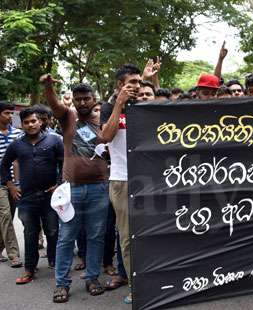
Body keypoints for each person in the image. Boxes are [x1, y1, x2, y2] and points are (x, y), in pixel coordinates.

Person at [40, 76, 112, 303]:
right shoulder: (68, 117)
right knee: (66, 237)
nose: (82, 103)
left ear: (94, 99)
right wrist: (48, 86)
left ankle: (92, 278)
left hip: (99, 188)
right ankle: (62, 284)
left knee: (96, 236)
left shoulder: (103, 120)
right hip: (72, 189)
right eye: (78, 99)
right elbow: (54, 105)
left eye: (86, 99)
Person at [1, 107, 63, 284]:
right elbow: (4, 165)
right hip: (26, 197)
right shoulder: (17, 145)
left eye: (33, 121)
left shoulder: (53, 141)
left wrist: (59, 183)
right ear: (22, 125)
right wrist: (11, 186)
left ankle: (54, 261)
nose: (30, 125)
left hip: (50, 196)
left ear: (41, 122)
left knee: (52, 230)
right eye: (26, 122)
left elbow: (64, 161)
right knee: (30, 232)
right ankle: (29, 268)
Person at [99, 63, 143, 304]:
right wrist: (119, 105)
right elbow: (105, 136)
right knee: (127, 237)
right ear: (120, 84)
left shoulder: (141, 106)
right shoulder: (108, 108)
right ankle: (136, 288)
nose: (137, 86)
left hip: (146, 180)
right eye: (133, 82)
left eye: (139, 82)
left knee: (148, 235)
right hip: (122, 180)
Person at [0, 100, 22, 268]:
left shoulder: (17, 134)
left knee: (9, 215)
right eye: (6, 113)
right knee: (5, 214)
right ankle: (13, 254)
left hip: (16, 182)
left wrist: (18, 182)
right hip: (1, 183)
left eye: (11, 113)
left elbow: (20, 159)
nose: (10, 116)